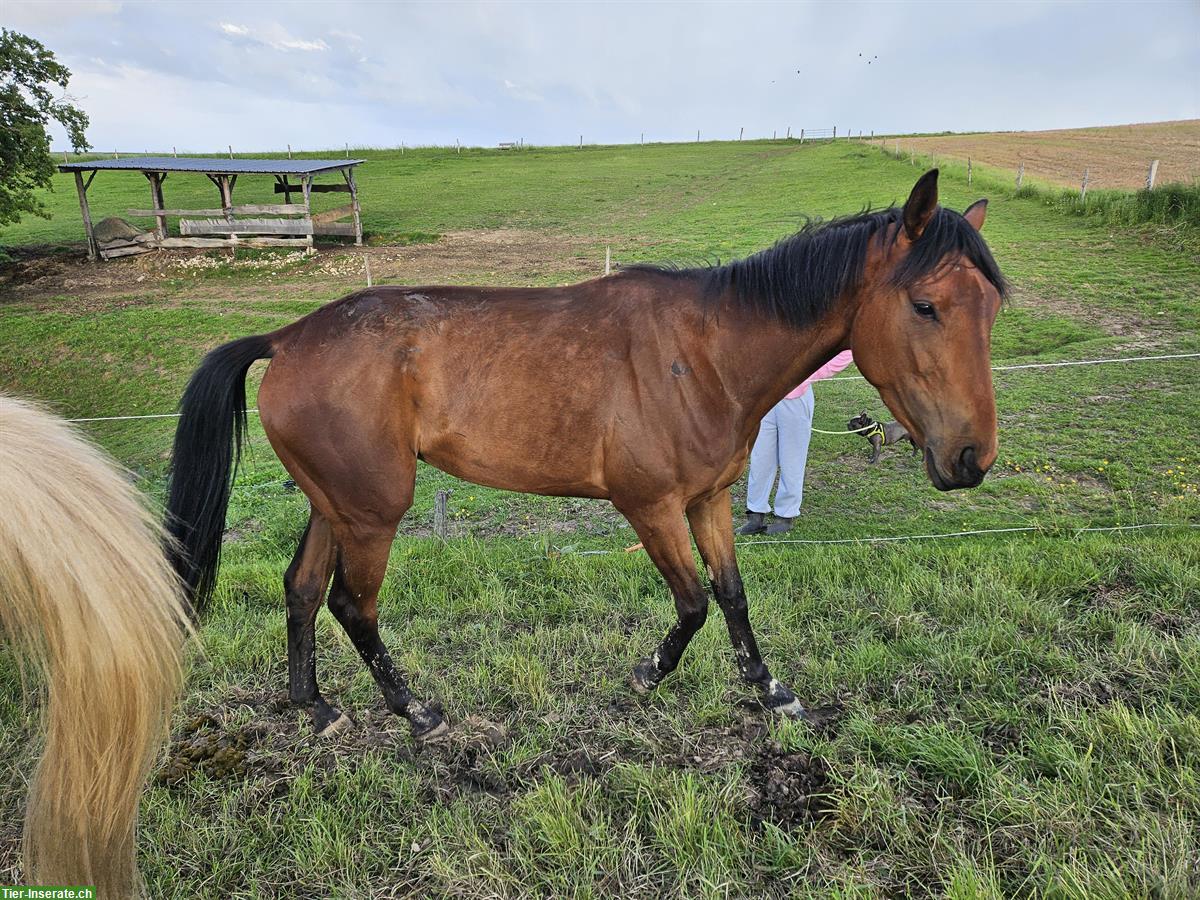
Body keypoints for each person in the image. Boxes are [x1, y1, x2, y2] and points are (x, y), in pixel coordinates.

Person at [737, 350, 855, 535]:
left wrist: (809, 375)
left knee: (792, 460)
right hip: (764, 397)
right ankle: (755, 513)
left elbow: (847, 352)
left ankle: (786, 515)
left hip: (796, 399)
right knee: (760, 458)